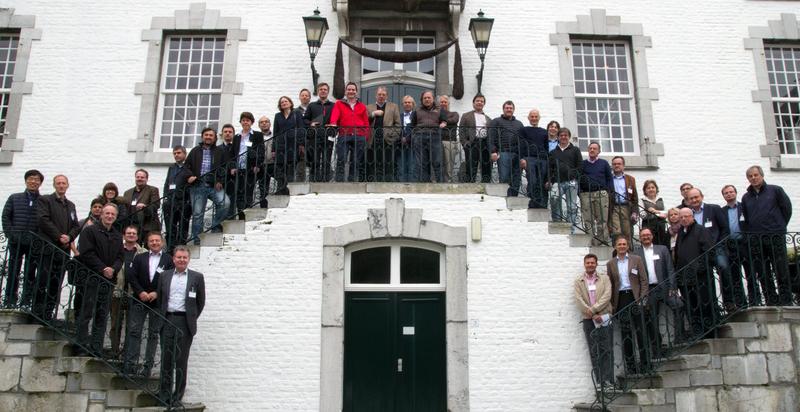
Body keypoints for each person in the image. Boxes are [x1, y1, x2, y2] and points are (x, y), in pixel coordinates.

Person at [158, 246, 205, 404]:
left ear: (188, 259)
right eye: (179, 257)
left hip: (185, 322)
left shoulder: (197, 277)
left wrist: (190, 318)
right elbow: (160, 300)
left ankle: (177, 397)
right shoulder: (164, 276)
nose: (181, 260)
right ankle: (164, 395)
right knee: (166, 359)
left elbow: (200, 302)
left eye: (184, 257)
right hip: (167, 320)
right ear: (173, 259)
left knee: (181, 361)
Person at [741, 165, 793, 306]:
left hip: (775, 236)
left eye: (756, 175)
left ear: (762, 176)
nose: (753, 178)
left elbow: (786, 209)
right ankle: (771, 299)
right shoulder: (746, 197)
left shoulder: (775, 190)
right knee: (763, 271)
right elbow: (746, 217)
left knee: (780, 268)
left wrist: (779, 226)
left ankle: (786, 299)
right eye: (750, 176)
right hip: (757, 239)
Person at [76, 203, 124, 356]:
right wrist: (103, 268)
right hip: (91, 278)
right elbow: (86, 253)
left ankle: (96, 347)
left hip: (108, 281)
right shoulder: (89, 231)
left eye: (113, 214)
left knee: (102, 315)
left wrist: (113, 269)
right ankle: (81, 345)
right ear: (101, 214)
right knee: (86, 313)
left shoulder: (117, 235)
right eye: (107, 213)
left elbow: (120, 257)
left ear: (115, 217)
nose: (110, 216)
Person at [125, 231, 174, 377]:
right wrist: (140, 292)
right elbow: (132, 277)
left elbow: (170, 280)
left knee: (153, 334)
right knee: (134, 331)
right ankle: (131, 364)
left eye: (157, 241)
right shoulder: (140, 257)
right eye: (151, 241)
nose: (154, 243)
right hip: (139, 299)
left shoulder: (168, 260)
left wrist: (157, 293)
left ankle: (147, 367)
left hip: (157, 301)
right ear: (147, 243)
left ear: (162, 242)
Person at [36, 174, 81, 320]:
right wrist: (59, 236)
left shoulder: (71, 205)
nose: (61, 185)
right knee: (43, 279)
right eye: (58, 183)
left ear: (67, 185)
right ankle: (38, 311)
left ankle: (49, 312)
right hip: (48, 248)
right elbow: (43, 220)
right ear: (54, 185)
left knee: (57, 282)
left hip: (63, 250)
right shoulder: (45, 200)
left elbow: (75, 226)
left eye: (64, 183)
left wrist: (69, 237)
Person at [686, 187, 736, 311]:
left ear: (702, 197)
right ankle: (712, 305)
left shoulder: (714, 209)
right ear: (688, 200)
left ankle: (729, 301)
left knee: (723, 269)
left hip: (716, 247)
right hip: (699, 252)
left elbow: (725, 228)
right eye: (691, 198)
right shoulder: (688, 214)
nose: (694, 200)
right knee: (705, 278)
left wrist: (719, 243)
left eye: (696, 197)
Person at [633, 227, 676, 362]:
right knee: (652, 319)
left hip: (664, 287)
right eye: (643, 235)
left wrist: (673, 286)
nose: (646, 237)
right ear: (640, 238)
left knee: (679, 306)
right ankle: (658, 348)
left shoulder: (662, 249)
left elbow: (670, 268)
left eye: (648, 235)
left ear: (652, 236)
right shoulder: (636, 253)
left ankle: (680, 336)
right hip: (648, 291)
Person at [607, 236, 648, 374]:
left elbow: (643, 280)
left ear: (628, 246)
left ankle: (645, 364)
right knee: (626, 334)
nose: (622, 246)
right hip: (621, 299)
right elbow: (611, 285)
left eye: (624, 244)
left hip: (634, 297)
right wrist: (612, 305)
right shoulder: (611, 264)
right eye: (619, 244)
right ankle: (631, 367)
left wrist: (642, 298)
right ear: (615, 246)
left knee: (640, 331)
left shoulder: (636, 259)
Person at [2, 169, 43, 307]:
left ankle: (26, 301)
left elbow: (44, 221)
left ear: (40, 183)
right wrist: (10, 234)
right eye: (31, 179)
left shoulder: (43, 201)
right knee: (13, 270)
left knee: (30, 273)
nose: (33, 182)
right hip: (16, 241)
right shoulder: (14, 197)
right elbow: (6, 217)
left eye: (36, 179)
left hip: (33, 242)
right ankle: (10, 300)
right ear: (26, 181)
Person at [573, 253, 614, 387]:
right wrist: (591, 313)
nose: (590, 265)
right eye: (588, 263)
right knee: (594, 350)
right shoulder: (579, 281)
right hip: (589, 319)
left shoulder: (605, 278)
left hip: (603, 317)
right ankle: (600, 380)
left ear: (596, 264)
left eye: (592, 262)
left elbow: (607, 296)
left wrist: (595, 310)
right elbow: (578, 300)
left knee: (606, 348)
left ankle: (608, 379)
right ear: (584, 264)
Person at [185, 127, 231, 244]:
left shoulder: (220, 151)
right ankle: (197, 240)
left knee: (225, 203)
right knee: (197, 214)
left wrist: (220, 180)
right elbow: (187, 167)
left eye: (211, 135)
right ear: (202, 136)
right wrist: (189, 176)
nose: (208, 137)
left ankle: (215, 227)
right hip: (198, 185)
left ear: (215, 137)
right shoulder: (195, 151)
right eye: (206, 135)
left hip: (213, 184)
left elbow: (224, 167)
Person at [675, 207, 715, 339]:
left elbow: (708, 251)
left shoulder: (701, 230)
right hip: (685, 278)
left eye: (686, 216)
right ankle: (697, 331)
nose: (684, 219)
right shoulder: (681, 232)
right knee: (691, 307)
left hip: (700, 277)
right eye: (681, 217)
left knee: (704, 303)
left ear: (692, 217)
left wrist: (700, 269)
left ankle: (708, 332)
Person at [109, 225, 144, 357]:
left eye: (133, 233)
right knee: (115, 323)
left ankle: (127, 352)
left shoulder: (143, 252)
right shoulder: (116, 250)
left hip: (133, 293)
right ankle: (114, 350)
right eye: (128, 233)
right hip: (117, 290)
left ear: (137, 236)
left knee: (132, 325)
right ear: (124, 235)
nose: (131, 235)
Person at [722, 184, 757, 306]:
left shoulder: (744, 207)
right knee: (735, 276)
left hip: (745, 244)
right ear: (723, 196)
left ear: (735, 193)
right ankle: (741, 302)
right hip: (731, 246)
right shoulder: (722, 211)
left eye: (731, 192)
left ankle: (754, 300)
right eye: (726, 193)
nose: (729, 194)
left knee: (751, 273)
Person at [330, 82, 370, 182]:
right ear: (346, 91)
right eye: (349, 89)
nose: (351, 91)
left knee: (355, 161)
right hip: (344, 134)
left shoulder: (362, 106)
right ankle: (339, 180)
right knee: (341, 158)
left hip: (359, 136)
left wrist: (365, 136)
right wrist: (333, 123)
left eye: (353, 90)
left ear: (356, 92)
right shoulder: (339, 103)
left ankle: (352, 180)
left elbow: (366, 122)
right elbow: (335, 115)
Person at [229, 112, 266, 219]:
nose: (245, 122)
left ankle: (247, 217)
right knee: (239, 194)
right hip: (238, 169)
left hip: (250, 169)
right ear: (240, 122)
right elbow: (232, 154)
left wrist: (257, 165)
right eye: (243, 120)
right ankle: (241, 216)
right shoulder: (236, 137)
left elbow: (261, 151)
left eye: (248, 120)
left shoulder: (257, 135)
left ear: (252, 122)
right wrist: (232, 167)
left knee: (248, 192)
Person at [578, 142, 612, 245]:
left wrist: (608, 191)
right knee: (588, 220)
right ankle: (591, 242)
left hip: (601, 194)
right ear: (588, 150)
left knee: (602, 220)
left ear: (599, 151)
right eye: (590, 148)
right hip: (586, 194)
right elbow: (578, 178)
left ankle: (602, 241)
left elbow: (609, 179)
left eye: (595, 149)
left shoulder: (604, 163)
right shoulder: (582, 164)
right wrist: (579, 193)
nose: (592, 150)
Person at [547, 127, 582, 230]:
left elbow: (580, 166)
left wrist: (574, 176)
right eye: (561, 135)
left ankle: (571, 228)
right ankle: (557, 223)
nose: (563, 137)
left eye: (565, 135)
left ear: (569, 137)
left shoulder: (575, 150)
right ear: (558, 137)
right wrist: (549, 180)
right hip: (557, 182)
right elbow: (550, 168)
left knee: (572, 206)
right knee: (554, 199)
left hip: (571, 182)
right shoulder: (553, 152)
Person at [409, 90, 447, 183]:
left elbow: (444, 120)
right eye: (425, 98)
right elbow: (412, 125)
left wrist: (443, 123)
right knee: (422, 163)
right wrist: (414, 136)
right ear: (422, 100)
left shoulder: (440, 110)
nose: (427, 99)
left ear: (433, 99)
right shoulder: (416, 111)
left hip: (434, 136)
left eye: (429, 97)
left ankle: (441, 184)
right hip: (420, 137)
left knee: (437, 161)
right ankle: (424, 184)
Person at [489, 100, 525, 196]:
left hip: (517, 154)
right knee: (504, 177)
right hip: (504, 152)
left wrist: (524, 156)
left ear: (513, 110)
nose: (509, 109)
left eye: (511, 108)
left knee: (516, 178)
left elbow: (523, 140)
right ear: (503, 109)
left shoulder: (519, 124)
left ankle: (513, 198)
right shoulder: (496, 121)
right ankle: (504, 199)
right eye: (507, 108)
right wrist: (493, 151)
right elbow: (491, 137)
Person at [366, 87, 401, 182]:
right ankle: (372, 183)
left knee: (388, 163)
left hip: (387, 140)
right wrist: (373, 114)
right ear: (375, 95)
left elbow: (398, 125)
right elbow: (364, 122)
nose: (381, 96)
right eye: (379, 94)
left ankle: (387, 183)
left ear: (387, 96)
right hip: (372, 139)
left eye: (383, 94)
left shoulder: (393, 106)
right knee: (372, 162)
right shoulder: (368, 107)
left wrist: (392, 136)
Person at [303, 82, 335, 182]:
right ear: (318, 91)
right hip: (315, 136)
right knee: (315, 159)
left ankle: (325, 180)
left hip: (328, 136)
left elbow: (337, 120)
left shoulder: (333, 105)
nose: (323, 91)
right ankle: (314, 180)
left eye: (325, 89)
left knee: (327, 159)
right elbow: (305, 119)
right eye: (321, 89)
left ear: (328, 91)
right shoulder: (312, 105)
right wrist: (311, 123)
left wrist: (334, 129)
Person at [274, 96, 306, 193]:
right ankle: (281, 189)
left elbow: (301, 129)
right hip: (281, 145)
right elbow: (275, 132)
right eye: (282, 102)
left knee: (291, 168)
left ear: (290, 103)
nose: (284, 103)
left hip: (293, 145)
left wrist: (301, 144)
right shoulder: (278, 115)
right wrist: (273, 149)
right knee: (280, 169)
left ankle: (289, 190)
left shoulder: (296, 114)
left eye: (286, 101)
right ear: (280, 105)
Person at [458, 94, 492, 183]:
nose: (479, 102)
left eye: (482, 101)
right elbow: (461, 131)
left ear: (484, 104)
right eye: (477, 101)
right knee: (471, 165)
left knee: (486, 165)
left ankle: (486, 185)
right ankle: (470, 185)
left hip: (485, 143)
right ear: (473, 103)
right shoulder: (466, 115)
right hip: (472, 143)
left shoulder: (488, 118)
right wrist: (465, 143)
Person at [163, 145, 191, 250]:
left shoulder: (189, 167)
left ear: (184, 154)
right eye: (174, 153)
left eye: (179, 153)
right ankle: (170, 248)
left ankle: (181, 248)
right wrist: (165, 196)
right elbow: (167, 183)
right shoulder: (171, 168)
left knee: (183, 226)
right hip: (170, 201)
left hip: (184, 201)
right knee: (170, 226)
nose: (176, 155)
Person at [519, 109, 549, 208]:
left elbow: (546, 147)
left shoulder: (544, 132)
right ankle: (532, 203)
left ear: (539, 118)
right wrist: (522, 159)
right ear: (528, 118)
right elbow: (521, 145)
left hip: (543, 159)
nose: (534, 118)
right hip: (529, 158)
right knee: (532, 180)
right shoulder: (524, 130)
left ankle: (542, 204)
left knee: (541, 181)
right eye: (532, 116)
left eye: (536, 116)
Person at [123, 169, 162, 243]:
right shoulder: (127, 192)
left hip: (148, 226)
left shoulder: (152, 190)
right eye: (138, 177)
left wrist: (145, 207)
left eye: (142, 177)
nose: (139, 179)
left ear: (146, 179)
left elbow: (156, 205)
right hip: (132, 227)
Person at [609, 156, 638, 244]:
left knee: (627, 232)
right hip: (614, 207)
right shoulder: (608, 178)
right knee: (616, 231)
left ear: (623, 166)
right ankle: (617, 252)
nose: (616, 165)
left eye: (619, 164)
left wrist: (635, 212)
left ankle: (628, 254)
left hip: (626, 207)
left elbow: (634, 198)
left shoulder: (630, 179)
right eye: (614, 164)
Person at [438, 95, 460, 182]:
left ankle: (448, 181)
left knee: (449, 165)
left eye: (445, 102)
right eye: (441, 102)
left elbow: (454, 120)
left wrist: (444, 122)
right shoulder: (436, 114)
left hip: (450, 141)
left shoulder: (454, 113)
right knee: (437, 163)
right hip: (438, 141)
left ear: (448, 103)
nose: (443, 103)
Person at [641, 180, 669, 247]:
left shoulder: (660, 200)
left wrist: (655, 211)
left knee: (662, 244)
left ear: (656, 189)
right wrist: (659, 213)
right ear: (645, 191)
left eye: (653, 187)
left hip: (661, 227)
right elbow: (642, 215)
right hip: (648, 227)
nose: (651, 189)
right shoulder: (642, 200)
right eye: (648, 188)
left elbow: (666, 213)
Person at [397, 95, 416, 182]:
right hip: (400, 145)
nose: (407, 104)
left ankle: (411, 188)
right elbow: (396, 128)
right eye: (405, 102)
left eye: (409, 102)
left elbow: (416, 129)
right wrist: (400, 138)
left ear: (413, 104)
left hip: (413, 145)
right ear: (402, 104)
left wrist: (407, 139)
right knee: (401, 167)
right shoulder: (399, 116)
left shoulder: (416, 116)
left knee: (412, 166)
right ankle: (402, 186)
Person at [295, 88, 312, 182]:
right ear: (300, 97)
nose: (305, 97)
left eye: (307, 95)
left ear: (309, 98)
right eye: (303, 95)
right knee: (301, 163)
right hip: (301, 140)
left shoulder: (313, 108)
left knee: (314, 161)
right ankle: (300, 183)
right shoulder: (295, 111)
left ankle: (313, 183)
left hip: (312, 139)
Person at [258, 115, 274, 206]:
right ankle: (263, 207)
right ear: (259, 125)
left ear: (270, 124)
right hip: (261, 165)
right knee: (263, 188)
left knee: (282, 181)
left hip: (273, 163)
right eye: (261, 122)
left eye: (266, 121)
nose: (264, 123)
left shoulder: (275, 135)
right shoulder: (257, 136)